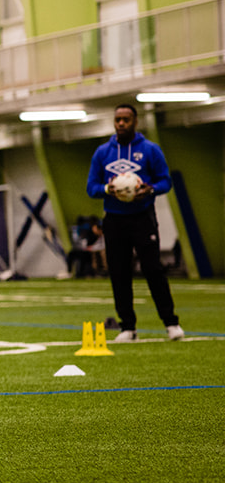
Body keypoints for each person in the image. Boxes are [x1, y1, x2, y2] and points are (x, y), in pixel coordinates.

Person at [85, 104, 183, 342]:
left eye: (126, 119)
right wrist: (108, 189)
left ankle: (171, 323)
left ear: (135, 122)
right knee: (119, 273)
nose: (121, 123)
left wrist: (150, 189)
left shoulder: (150, 149)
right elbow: (91, 188)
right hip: (114, 219)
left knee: (153, 270)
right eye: (117, 119)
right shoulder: (102, 152)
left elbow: (165, 181)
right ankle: (128, 328)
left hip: (142, 217)